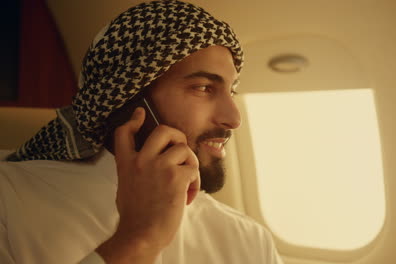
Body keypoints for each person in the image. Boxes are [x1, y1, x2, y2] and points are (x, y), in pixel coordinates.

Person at [0, 1, 284, 263]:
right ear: (126, 100)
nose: (233, 118)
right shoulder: (9, 199)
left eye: (231, 90)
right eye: (203, 88)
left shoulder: (249, 240)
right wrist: (140, 238)